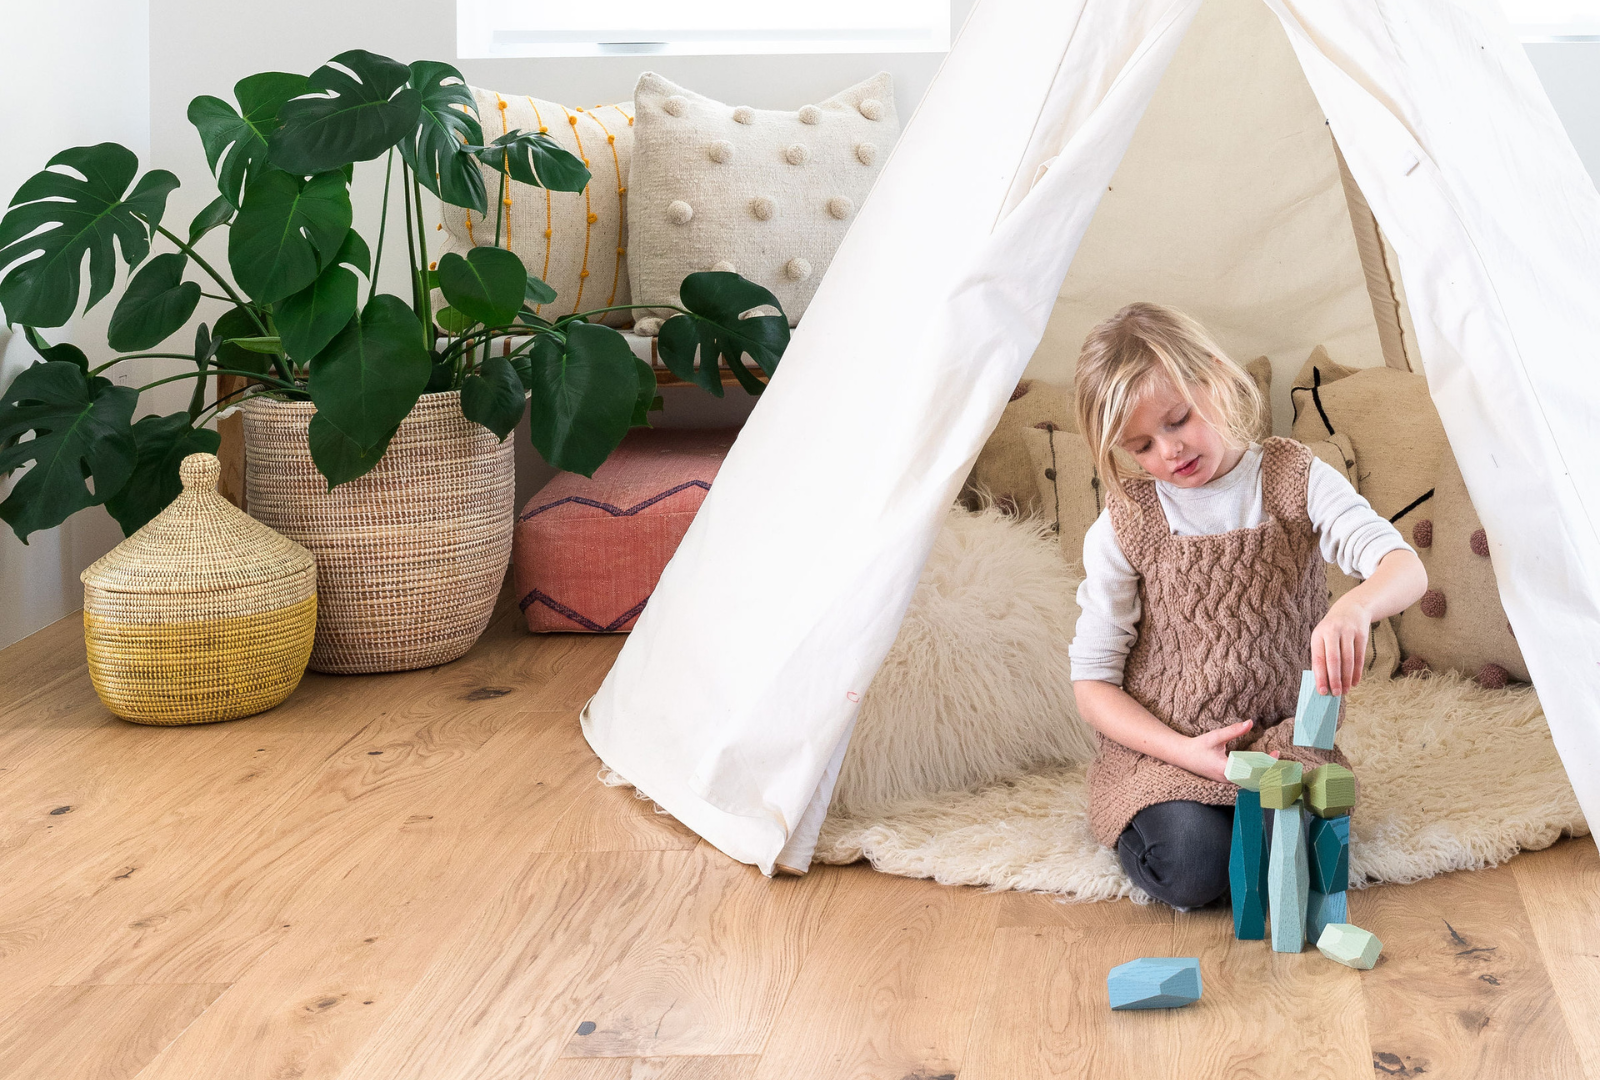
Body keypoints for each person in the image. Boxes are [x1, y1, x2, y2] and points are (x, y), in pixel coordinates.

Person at [1069, 302, 1427, 909]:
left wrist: (1356, 608)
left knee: (1288, 857)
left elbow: (1404, 567)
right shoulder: (1125, 524)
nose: (1169, 452)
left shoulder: (1295, 478)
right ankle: (1140, 822)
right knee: (1193, 869)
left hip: (1281, 744)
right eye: (1142, 447)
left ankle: (1255, 826)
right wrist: (1184, 752)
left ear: (1214, 376)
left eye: (1178, 420)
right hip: (1172, 750)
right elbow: (1092, 683)